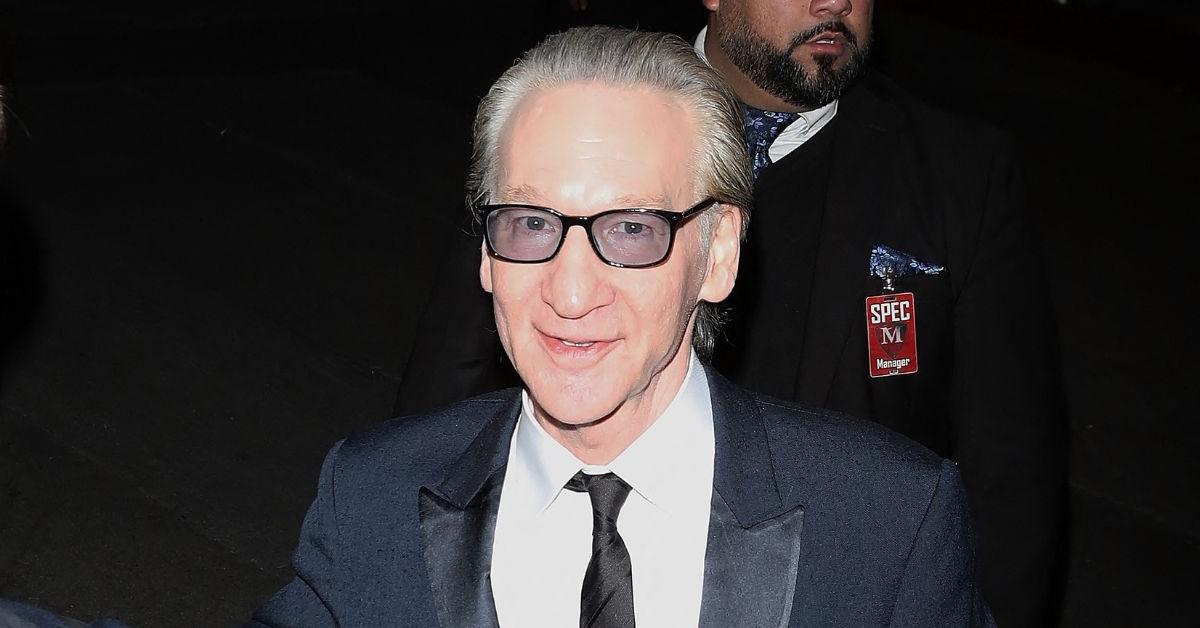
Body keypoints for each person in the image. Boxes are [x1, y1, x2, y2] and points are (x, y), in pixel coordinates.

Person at [252, 26, 994, 627]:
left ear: (718, 254)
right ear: (485, 253)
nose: (572, 293)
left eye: (631, 229)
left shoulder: (885, 526)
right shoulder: (372, 498)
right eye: (531, 223)